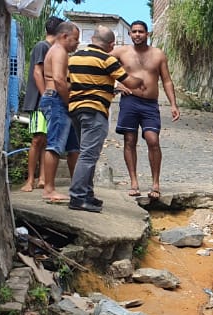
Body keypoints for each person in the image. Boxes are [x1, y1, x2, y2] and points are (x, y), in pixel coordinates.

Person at [66, 26, 143, 213]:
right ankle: (77, 197)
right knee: (88, 155)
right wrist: (141, 80)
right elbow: (129, 82)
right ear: (111, 45)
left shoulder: (75, 57)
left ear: (92, 38)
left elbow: (70, 83)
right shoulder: (107, 59)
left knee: (86, 153)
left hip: (76, 110)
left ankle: (87, 194)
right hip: (95, 111)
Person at [111, 20, 180, 202]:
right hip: (129, 101)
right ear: (130, 34)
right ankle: (133, 182)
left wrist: (173, 104)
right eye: (134, 32)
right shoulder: (122, 52)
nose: (137, 35)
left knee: (153, 140)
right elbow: (100, 62)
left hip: (150, 103)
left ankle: (155, 183)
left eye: (141, 31)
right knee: (129, 140)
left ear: (147, 34)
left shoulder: (158, 55)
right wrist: (116, 85)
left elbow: (166, 80)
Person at [19, 15, 64, 192]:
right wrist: (46, 95)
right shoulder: (42, 46)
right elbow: (38, 73)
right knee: (37, 139)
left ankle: (42, 177)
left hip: (49, 101)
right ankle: (30, 180)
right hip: (41, 101)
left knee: (46, 140)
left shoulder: (54, 50)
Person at [38, 21, 82, 203]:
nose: (77, 43)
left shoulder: (58, 51)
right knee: (55, 145)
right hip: (56, 100)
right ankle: (49, 189)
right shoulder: (59, 51)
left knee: (74, 148)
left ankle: (78, 187)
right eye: (75, 39)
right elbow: (58, 79)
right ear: (64, 36)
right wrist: (68, 102)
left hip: (58, 100)